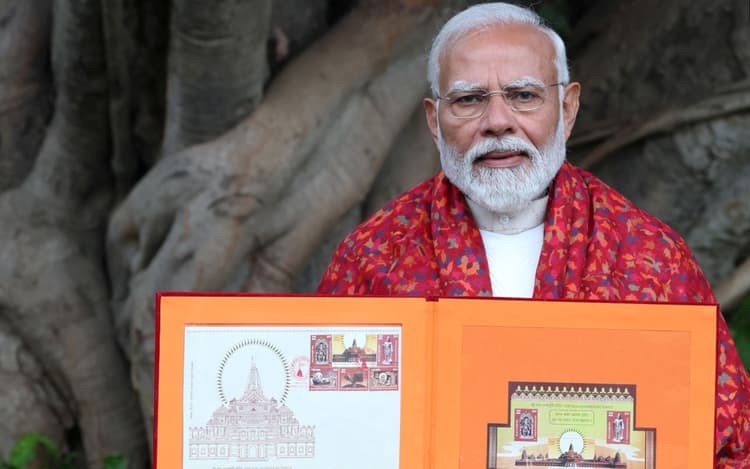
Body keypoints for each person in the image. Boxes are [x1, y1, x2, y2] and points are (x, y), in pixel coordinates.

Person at [316, 3, 749, 467]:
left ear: (568, 108)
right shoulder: (376, 255)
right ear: (434, 121)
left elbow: (726, 444)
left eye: (523, 95)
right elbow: (326, 425)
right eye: (469, 100)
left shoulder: (650, 256)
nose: (497, 121)